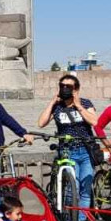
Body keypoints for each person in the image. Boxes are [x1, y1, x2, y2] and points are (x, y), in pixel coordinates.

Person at [37, 72, 100, 208]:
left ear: (76, 89)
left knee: (86, 189)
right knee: (73, 189)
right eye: (62, 86)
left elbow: (94, 121)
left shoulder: (85, 103)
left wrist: (78, 106)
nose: (65, 89)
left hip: (85, 150)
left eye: (69, 86)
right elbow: (41, 123)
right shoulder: (58, 107)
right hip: (67, 150)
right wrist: (52, 102)